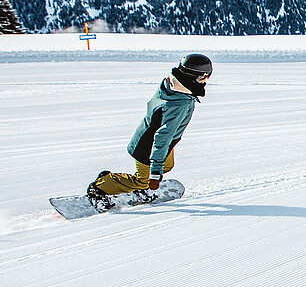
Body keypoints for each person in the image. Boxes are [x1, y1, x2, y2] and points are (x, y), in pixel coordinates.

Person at [86, 54, 212, 209]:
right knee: (142, 180)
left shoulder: (172, 85)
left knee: (167, 165)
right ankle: (101, 186)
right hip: (147, 145)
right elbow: (161, 138)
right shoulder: (179, 103)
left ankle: (126, 181)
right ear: (191, 77)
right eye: (202, 77)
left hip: (159, 140)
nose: (204, 81)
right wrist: (155, 174)